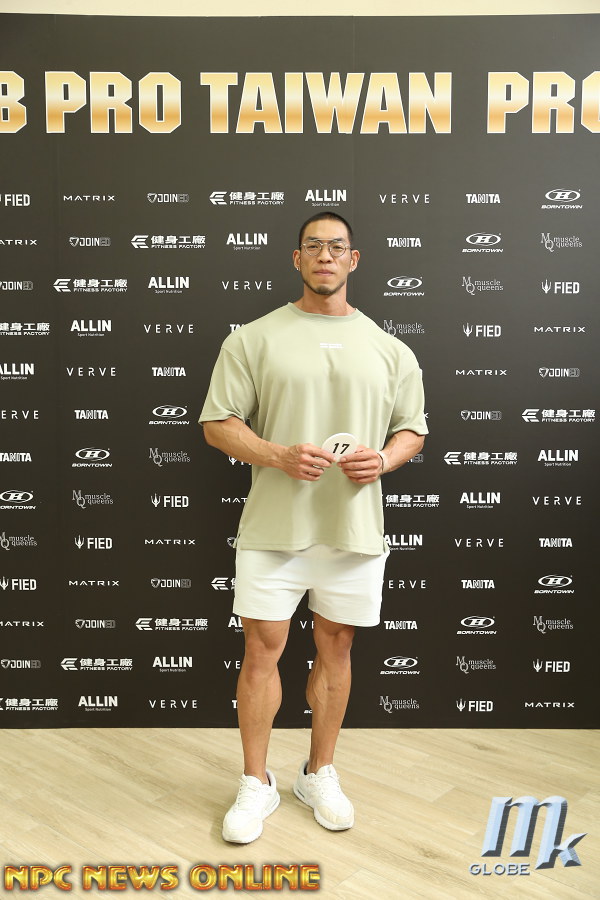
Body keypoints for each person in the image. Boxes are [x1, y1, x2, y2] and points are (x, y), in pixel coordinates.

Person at [199, 211, 427, 844]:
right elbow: (218, 424)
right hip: (273, 530)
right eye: (313, 246)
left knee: (337, 650)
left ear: (354, 260)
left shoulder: (391, 349)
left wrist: (384, 459)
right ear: (296, 259)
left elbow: (413, 429)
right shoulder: (253, 339)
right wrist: (277, 455)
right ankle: (256, 781)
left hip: (354, 531)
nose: (325, 256)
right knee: (261, 651)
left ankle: (318, 773)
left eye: (337, 247)